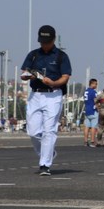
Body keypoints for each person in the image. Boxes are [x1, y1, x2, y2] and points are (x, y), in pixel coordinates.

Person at [20, 25, 72, 176]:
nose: (44, 45)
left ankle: (45, 164)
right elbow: (24, 72)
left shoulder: (61, 56)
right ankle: (48, 153)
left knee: (49, 130)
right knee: (33, 131)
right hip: (36, 94)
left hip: (53, 95)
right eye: (42, 42)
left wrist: (54, 83)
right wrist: (29, 75)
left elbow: (65, 76)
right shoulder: (33, 55)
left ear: (53, 40)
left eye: (47, 42)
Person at [82, 78, 98, 146]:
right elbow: (96, 101)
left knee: (86, 127)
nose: (96, 85)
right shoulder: (93, 92)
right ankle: (92, 141)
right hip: (93, 111)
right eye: (95, 84)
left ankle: (85, 141)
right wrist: (98, 107)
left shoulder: (86, 91)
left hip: (87, 110)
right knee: (93, 127)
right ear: (92, 84)